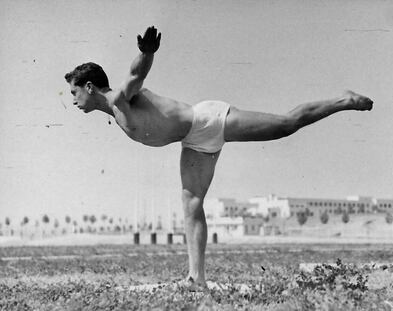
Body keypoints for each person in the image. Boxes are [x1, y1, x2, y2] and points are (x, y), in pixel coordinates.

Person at [65, 26, 373, 289]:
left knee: (285, 125)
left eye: (74, 92)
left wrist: (147, 53)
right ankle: (195, 279)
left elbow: (136, 74)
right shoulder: (114, 113)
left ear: (89, 87)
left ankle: (343, 100)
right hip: (193, 142)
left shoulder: (120, 99)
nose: (73, 100)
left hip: (207, 120)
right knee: (191, 203)